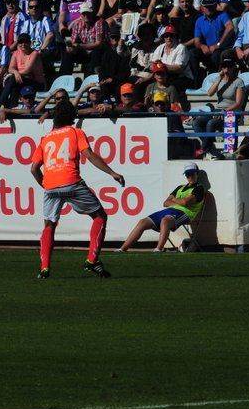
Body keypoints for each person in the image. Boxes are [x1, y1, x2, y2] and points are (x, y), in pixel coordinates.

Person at [30, 100, 126, 280]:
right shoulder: (75, 132)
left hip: (50, 186)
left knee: (49, 225)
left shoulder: (46, 139)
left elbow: (34, 168)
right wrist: (112, 172)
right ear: (71, 117)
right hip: (71, 181)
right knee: (100, 216)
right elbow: (89, 155)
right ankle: (91, 260)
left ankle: (44, 268)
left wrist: (46, 185)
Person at [118, 163, 205, 252]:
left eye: (192, 174)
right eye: (187, 174)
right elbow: (166, 203)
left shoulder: (199, 188)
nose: (190, 177)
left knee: (165, 221)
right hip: (171, 211)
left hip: (186, 213)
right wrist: (178, 201)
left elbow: (185, 202)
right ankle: (122, 249)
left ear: (197, 174)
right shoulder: (180, 187)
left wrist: (174, 199)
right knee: (142, 222)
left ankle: (158, 249)